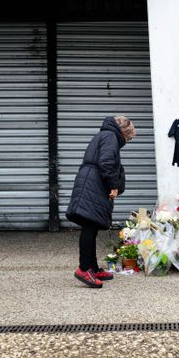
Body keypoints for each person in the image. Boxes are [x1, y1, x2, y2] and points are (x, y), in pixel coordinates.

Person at [66, 116, 136, 288]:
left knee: (92, 226)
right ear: (124, 132)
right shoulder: (111, 137)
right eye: (129, 137)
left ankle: (93, 268)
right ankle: (84, 268)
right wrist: (113, 186)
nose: (128, 141)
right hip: (94, 184)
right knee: (89, 227)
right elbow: (106, 162)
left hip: (92, 183)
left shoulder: (105, 135)